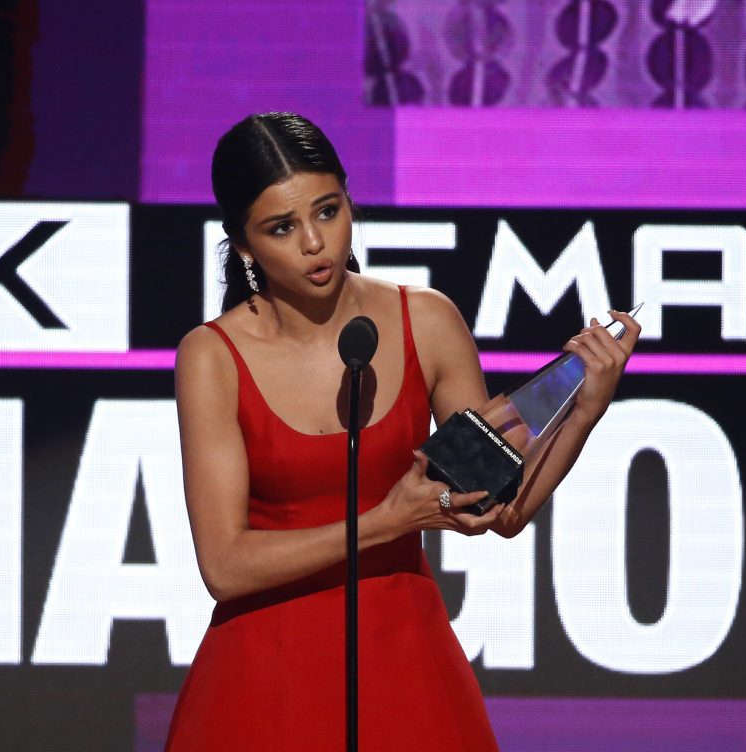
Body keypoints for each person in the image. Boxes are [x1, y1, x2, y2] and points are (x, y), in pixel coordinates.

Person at [165, 112, 640, 750]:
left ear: (348, 201)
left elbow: (501, 508)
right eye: (282, 228)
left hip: (404, 661)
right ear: (245, 246)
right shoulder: (212, 356)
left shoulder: (427, 320)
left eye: (328, 211)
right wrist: (387, 521)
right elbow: (224, 566)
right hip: (264, 674)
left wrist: (583, 408)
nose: (315, 243)